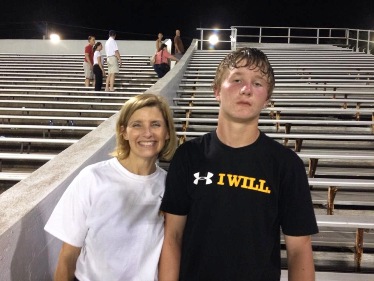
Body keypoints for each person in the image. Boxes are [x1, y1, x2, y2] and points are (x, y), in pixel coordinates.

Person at [159, 47, 319, 281]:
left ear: (266, 99)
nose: (246, 89)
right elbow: (173, 236)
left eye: (257, 83)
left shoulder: (286, 165)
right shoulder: (189, 156)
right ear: (216, 90)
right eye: (237, 79)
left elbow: (299, 249)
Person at [44, 93, 177, 281]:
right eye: (137, 124)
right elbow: (67, 257)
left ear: (167, 132)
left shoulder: (170, 186)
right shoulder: (93, 178)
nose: (147, 133)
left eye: (155, 124)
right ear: (124, 131)